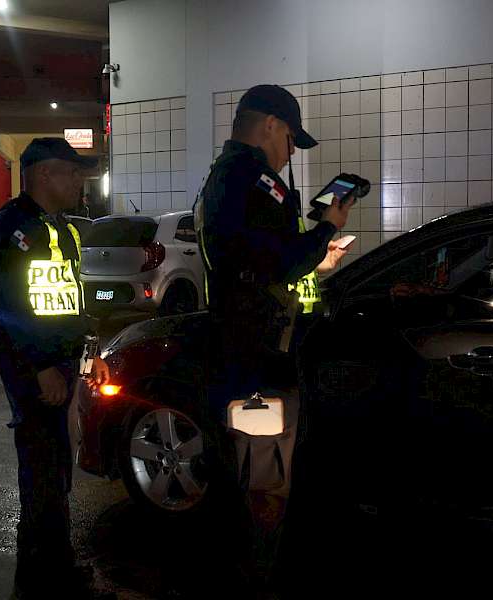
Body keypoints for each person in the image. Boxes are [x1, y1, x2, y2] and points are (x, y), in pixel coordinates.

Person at [194, 84, 354, 588]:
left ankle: (238, 560)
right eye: (290, 140)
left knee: (246, 459)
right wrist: (326, 228)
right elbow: (276, 261)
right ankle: (250, 570)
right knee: (260, 468)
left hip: (241, 343)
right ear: (270, 125)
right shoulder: (254, 179)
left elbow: (257, 258)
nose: (289, 154)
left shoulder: (223, 177)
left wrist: (313, 253)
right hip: (256, 352)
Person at [0, 137, 109, 600]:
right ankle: (42, 580)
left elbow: (68, 300)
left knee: (55, 471)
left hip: (56, 363)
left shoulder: (62, 229)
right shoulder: (14, 226)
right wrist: (40, 367)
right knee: (42, 473)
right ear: (43, 175)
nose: (80, 181)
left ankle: (52, 569)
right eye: (71, 172)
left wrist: (88, 353)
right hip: (30, 367)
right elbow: (10, 304)